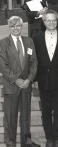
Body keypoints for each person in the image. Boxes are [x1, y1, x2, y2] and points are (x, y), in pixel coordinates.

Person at [0, 16, 39, 147]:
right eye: (12, 26)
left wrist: (29, 79)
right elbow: (3, 65)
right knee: (10, 118)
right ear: (9, 27)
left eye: (18, 26)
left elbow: (34, 62)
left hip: (26, 85)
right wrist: (16, 80)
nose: (16, 28)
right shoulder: (3, 43)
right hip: (11, 86)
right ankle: (10, 143)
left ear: (22, 27)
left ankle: (26, 142)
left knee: (25, 116)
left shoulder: (29, 41)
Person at [33, 10, 58, 147]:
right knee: (46, 110)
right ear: (44, 22)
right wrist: (35, 79)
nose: (51, 22)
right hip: (43, 78)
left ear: (57, 21)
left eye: (54, 20)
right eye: (48, 20)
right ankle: (49, 137)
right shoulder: (37, 37)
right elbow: (34, 60)